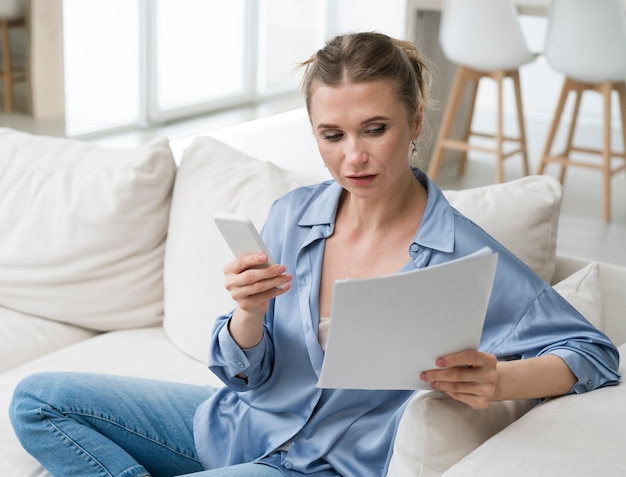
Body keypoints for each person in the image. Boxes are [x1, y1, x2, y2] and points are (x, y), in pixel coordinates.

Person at [9, 32, 620, 477]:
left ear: (413, 122)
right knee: (38, 399)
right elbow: (245, 372)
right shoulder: (292, 216)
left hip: (321, 465)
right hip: (239, 423)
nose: (353, 156)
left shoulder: (460, 252)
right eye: (333, 136)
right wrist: (247, 318)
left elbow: (595, 354)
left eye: (374, 129)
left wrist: (499, 380)